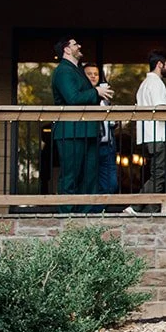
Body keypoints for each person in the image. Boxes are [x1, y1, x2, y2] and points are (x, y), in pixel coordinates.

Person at [51, 38, 111, 210]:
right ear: (66, 49)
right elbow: (73, 98)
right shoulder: (63, 71)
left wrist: (97, 93)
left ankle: (85, 215)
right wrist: (96, 92)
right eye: (75, 44)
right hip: (71, 131)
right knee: (71, 176)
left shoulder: (76, 70)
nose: (79, 46)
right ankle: (67, 216)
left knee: (89, 177)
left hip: (87, 131)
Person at [135, 50, 166, 205]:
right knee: (159, 175)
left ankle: (151, 209)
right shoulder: (156, 83)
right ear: (159, 64)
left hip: (149, 135)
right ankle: (136, 206)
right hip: (159, 135)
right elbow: (161, 109)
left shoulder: (144, 84)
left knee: (156, 174)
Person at [85, 63, 121, 206]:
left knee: (112, 184)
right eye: (89, 74)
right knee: (91, 182)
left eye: (96, 74)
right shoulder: (84, 97)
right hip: (92, 145)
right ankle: (94, 212)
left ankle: (98, 211)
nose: (93, 76)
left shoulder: (105, 99)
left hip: (108, 146)